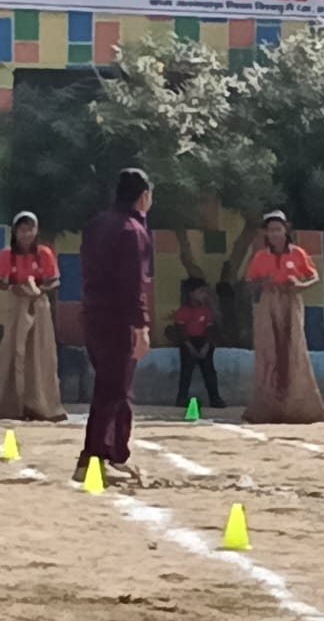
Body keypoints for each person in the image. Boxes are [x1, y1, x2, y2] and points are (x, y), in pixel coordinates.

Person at [76, 168, 153, 485]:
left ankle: (116, 452)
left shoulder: (96, 225)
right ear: (144, 195)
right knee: (114, 389)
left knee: (115, 388)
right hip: (118, 319)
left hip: (93, 314)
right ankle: (93, 457)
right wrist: (141, 325)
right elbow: (133, 284)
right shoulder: (132, 230)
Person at [242, 211, 324, 424]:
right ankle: (266, 407)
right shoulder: (260, 257)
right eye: (270, 230)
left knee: (294, 349)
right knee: (268, 350)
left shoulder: (297, 253)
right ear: (266, 233)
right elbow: (249, 282)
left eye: (278, 229)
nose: (275, 234)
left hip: (291, 301)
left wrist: (300, 286)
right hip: (269, 303)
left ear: (286, 230)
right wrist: (263, 283)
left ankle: (301, 407)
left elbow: (314, 276)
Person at [0, 211, 66, 423]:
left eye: (30, 229)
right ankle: (11, 405)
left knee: (39, 357)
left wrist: (40, 289)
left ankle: (40, 405)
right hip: (14, 310)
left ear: (36, 231)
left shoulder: (44, 253)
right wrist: (14, 287)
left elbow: (55, 281)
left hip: (38, 309)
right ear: (15, 232)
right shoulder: (6, 255)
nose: (26, 234)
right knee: (12, 354)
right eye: (22, 229)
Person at [170, 282, 226, 410]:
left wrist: (206, 347)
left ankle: (215, 398)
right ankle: (181, 398)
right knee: (186, 371)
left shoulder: (206, 311)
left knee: (209, 371)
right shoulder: (183, 311)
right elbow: (181, 331)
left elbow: (210, 330)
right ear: (191, 294)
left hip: (204, 342)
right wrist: (191, 347)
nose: (203, 295)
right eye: (200, 292)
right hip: (188, 342)